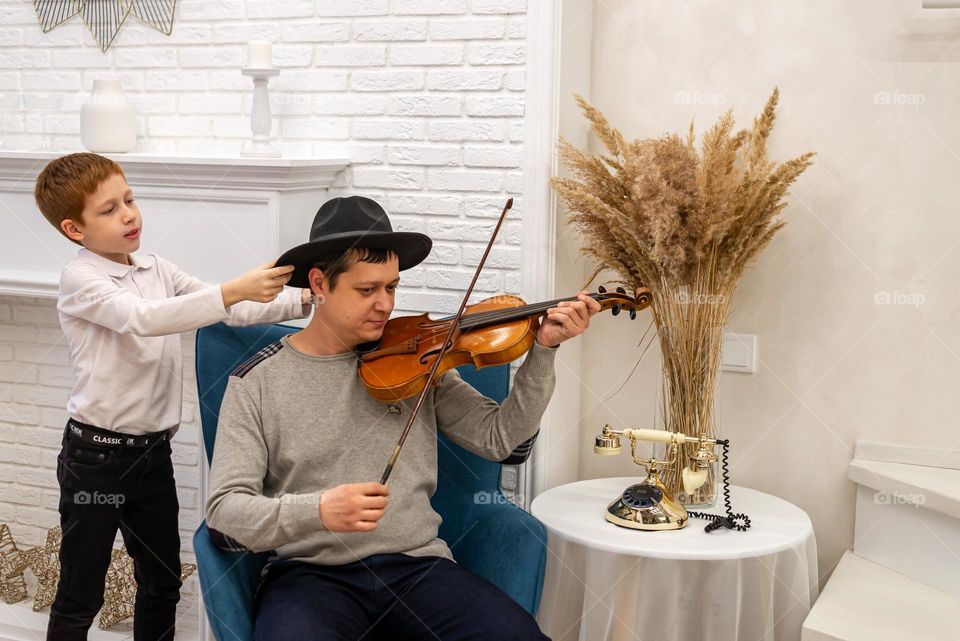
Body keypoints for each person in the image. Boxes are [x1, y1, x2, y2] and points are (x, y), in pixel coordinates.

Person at [205, 195, 600, 641]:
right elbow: (224, 513)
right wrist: (318, 510)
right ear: (319, 283)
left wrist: (544, 351)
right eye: (366, 290)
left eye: (391, 287)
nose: (385, 305)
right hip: (310, 577)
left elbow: (501, 440)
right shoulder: (256, 381)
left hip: (417, 567)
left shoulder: (417, 359)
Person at [33, 152, 314, 641]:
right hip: (95, 458)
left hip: (151, 457)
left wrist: (308, 298)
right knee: (83, 590)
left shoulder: (156, 267)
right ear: (75, 230)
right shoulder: (81, 280)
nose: (128, 214)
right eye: (108, 209)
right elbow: (146, 319)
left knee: (162, 582)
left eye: (130, 199)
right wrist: (231, 288)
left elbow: (226, 310)